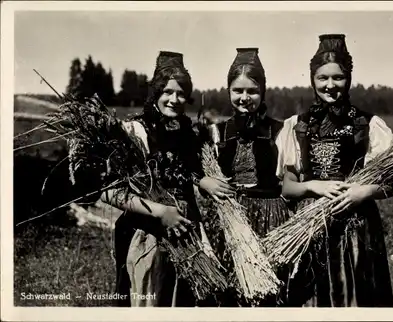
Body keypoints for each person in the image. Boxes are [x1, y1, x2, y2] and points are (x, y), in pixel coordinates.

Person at [275, 34, 393, 307]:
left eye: (338, 77)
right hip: (311, 230)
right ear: (312, 80)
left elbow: (392, 184)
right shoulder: (298, 125)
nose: (330, 86)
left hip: (356, 231)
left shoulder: (368, 124)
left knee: (356, 296)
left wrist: (362, 192)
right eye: (322, 78)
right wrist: (313, 186)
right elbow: (287, 187)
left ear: (349, 78)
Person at [101, 51, 205, 307]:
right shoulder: (135, 132)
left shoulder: (187, 134)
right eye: (167, 92)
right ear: (155, 92)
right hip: (144, 236)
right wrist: (160, 212)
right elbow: (107, 191)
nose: (174, 99)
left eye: (181, 93)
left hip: (184, 238)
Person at [199, 48, 292, 306]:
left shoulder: (280, 131)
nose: (244, 97)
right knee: (228, 293)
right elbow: (200, 175)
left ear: (263, 91)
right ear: (228, 91)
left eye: (252, 91)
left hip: (270, 222)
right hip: (227, 222)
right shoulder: (216, 133)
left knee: (266, 295)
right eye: (237, 91)